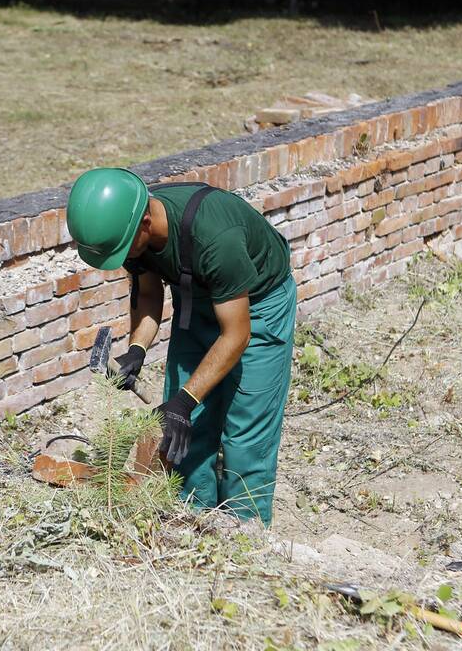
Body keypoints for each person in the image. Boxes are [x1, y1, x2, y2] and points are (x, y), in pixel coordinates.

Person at [65, 167, 297, 526]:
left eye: (124, 250)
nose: (125, 257)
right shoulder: (132, 231)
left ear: (145, 222)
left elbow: (237, 334)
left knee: (245, 433)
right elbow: (147, 290)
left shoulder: (215, 237)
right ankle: (192, 521)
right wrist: (137, 350)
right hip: (199, 299)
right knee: (180, 429)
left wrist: (185, 400)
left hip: (257, 308)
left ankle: (244, 534)